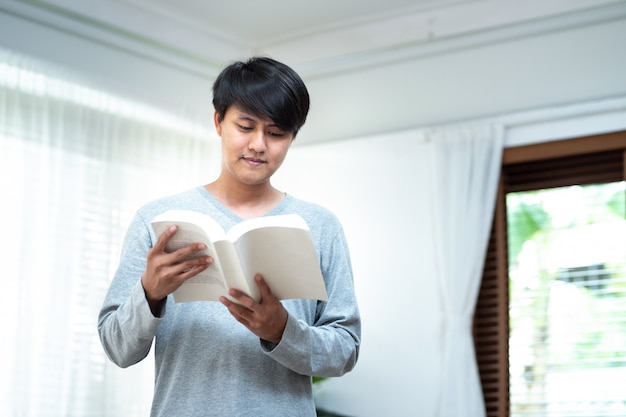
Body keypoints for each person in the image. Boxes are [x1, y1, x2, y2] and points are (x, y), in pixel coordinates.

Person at [97, 56, 361, 417]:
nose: (258, 145)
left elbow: (345, 352)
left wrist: (281, 330)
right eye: (246, 126)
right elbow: (117, 348)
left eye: (276, 133)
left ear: (292, 138)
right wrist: (150, 294)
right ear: (219, 121)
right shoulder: (157, 220)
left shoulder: (320, 226)